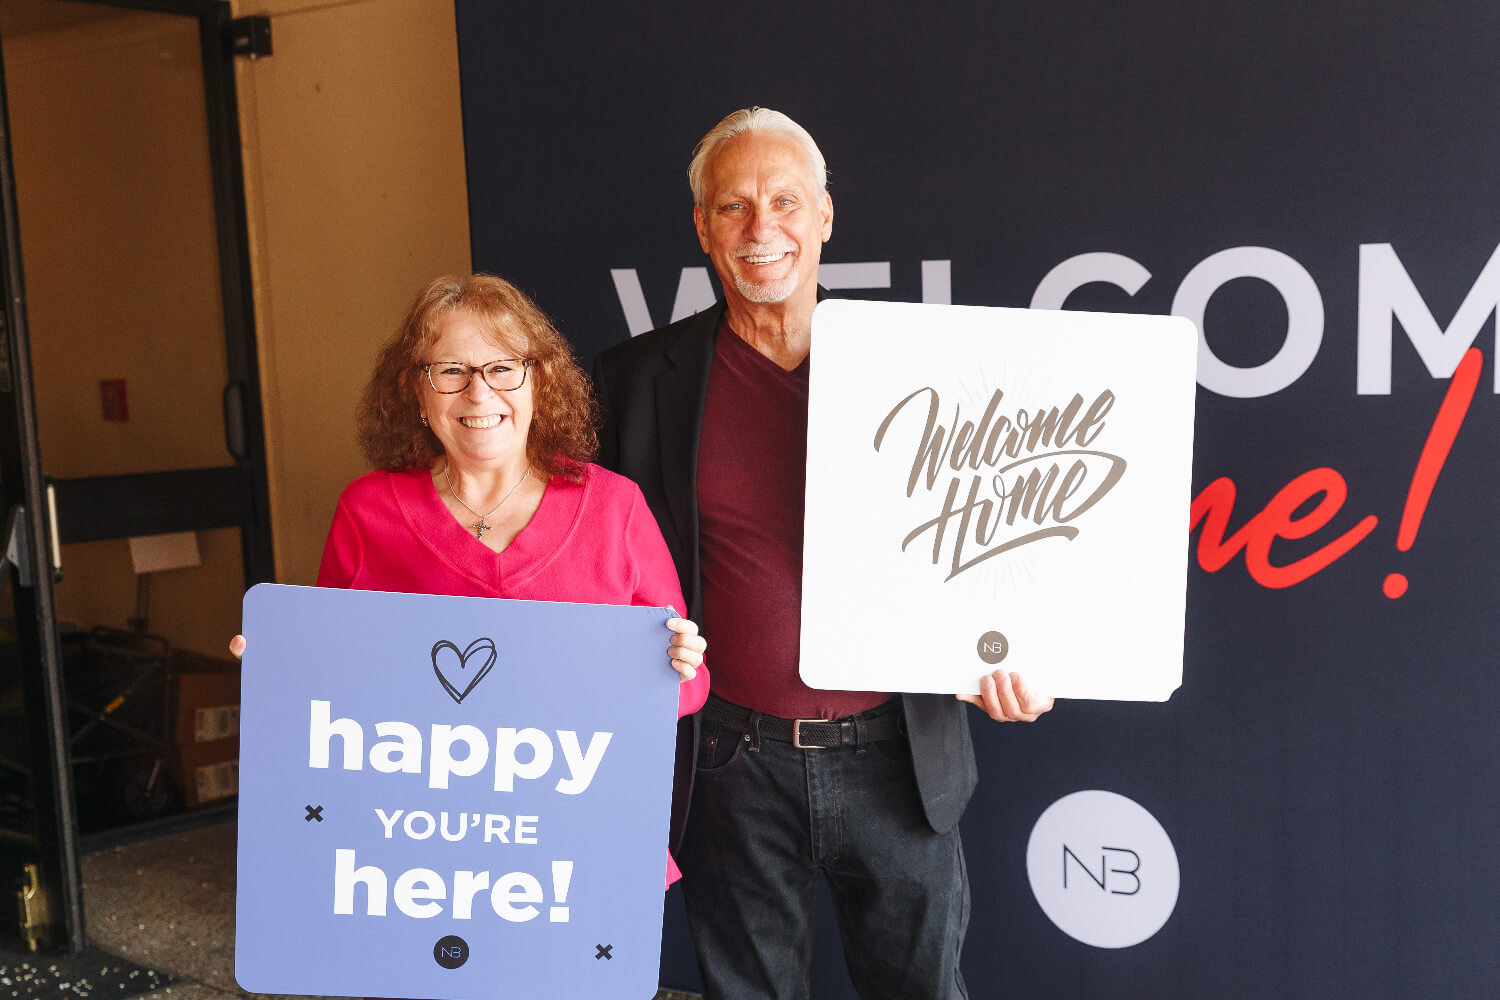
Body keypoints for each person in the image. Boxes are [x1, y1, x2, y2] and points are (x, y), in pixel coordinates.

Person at [592, 107, 1054, 999]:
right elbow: (568, 549)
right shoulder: (635, 381)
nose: (761, 229)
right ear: (701, 226)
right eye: (733, 207)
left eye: (785, 202)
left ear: (826, 216)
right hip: (728, 759)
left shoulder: (930, 366)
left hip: (899, 754)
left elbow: (1005, 533)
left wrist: (1028, 659)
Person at [232, 272, 708, 887]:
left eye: (503, 367)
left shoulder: (615, 507)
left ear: (540, 380)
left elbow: (685, 690)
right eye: (450, 371)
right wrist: (279, 670)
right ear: (417, 392)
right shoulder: (367, 509)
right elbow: (334, 682)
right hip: (414, 847)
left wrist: (679, 663)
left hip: (571, 841)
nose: (479, 393)